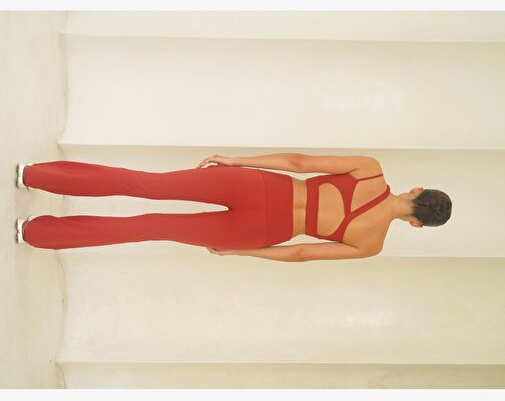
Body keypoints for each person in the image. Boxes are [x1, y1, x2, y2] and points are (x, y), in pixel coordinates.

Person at [15, 154, 452, 261]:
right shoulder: (370, 244)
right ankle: (35, 232)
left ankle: (34, 175)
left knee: (146, 184)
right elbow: (301, 253)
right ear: (417, 224)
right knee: (148, 226)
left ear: (415, 189)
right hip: (259, 232)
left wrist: (237, 160)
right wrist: (242, 251)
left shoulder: (369, 170)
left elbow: (299, 164)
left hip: (257, 186)